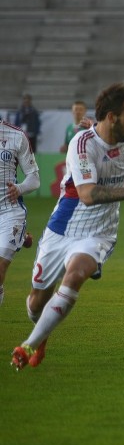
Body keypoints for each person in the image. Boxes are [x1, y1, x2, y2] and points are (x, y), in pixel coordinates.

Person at [10, 83, 124, 371]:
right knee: (35, 303)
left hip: (99, 233)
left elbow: (107, 136)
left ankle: (28, 345)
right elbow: (87, 194)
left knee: (76, 274)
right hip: (63, 228)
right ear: (112, 118)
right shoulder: (81, 144)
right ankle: (41, 334)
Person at [0, 118, 40, 307]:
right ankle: (21, 236)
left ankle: (18, 233)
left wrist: (20, 188)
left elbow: (34, 179)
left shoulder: (16, 135)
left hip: (10, 210)